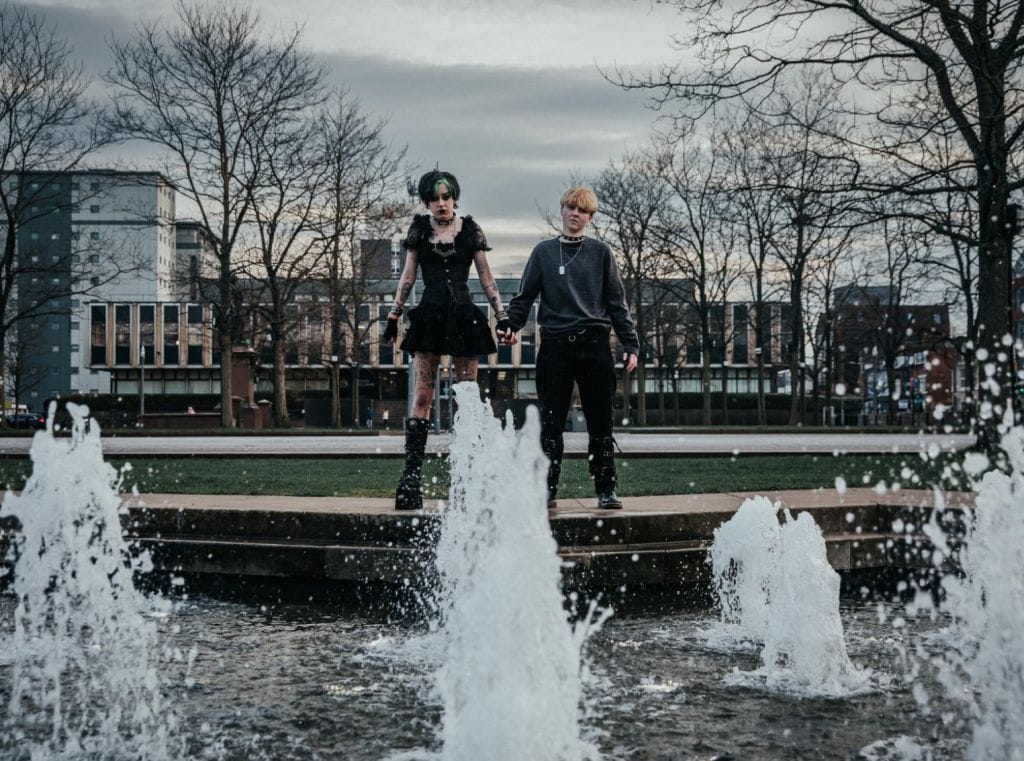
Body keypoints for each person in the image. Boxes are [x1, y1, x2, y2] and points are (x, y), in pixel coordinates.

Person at [499, 186, 638, 510]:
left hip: (595, 346)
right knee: (550, 423)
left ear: (590, 217)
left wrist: (630, 343)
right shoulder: (544, 253)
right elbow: (524, 298)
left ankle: (606, 488)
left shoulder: (601, 253)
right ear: (562, 210)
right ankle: (547, 488)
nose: (575, 214)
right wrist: (509, 326)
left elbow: (618, 304)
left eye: (583, 210)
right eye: (571, 208)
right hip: (556, 347)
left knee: (601, 422)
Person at [383, 170, 511, 510]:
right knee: (423, 394)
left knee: (466, 397)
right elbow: (408, 276)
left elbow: (486, 276)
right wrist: (394, 314)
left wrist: (502, 313)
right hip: (430, 316)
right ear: (427, 201)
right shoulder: (420, 231)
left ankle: (469, 478)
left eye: (446, 196)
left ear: (454, 197)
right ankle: (411, 479)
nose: (441, 203)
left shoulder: (469, 230)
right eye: (435, 198)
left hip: (464, 316)